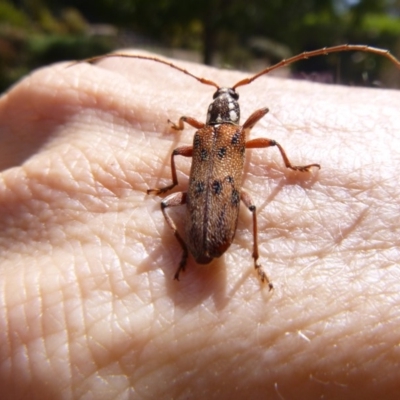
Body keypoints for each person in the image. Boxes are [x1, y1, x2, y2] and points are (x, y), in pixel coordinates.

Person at [0, 50, 399, 399]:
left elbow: (179, 149)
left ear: (213, 109)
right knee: (254, 204)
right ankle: (256, 262)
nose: (225, 101)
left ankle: (185, 235)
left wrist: (176, 182)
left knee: (169, 199)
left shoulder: (202, 135)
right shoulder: (237, 135)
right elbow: (269, 139)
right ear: (235, 110)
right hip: (219, 211)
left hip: (205, 216)